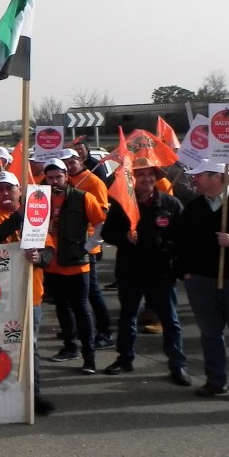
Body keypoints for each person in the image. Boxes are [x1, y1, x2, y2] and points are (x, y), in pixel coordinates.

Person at [100, 158, 190, 385]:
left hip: (161, 273)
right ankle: (125, 358)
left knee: (170, 320)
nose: (146, 179)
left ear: (157, 177)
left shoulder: (171, 204)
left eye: (151, 174)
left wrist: (179, 268)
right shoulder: (123, 204)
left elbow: (183, 240)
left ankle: (177, 365)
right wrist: (125, 238)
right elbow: (108, 234)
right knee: (128, 318)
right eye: (141, 175)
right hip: (131, 271)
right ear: (133, 178)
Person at [0, 172, 56, 415]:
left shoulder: (36, 215)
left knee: (29, 347)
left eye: (9, 189)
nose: (4, 194)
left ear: (19, 191)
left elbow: (50, 251)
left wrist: (39, 257)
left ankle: (33, 394)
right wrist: (17, 218)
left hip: (30, 293)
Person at [42, 158, 107, 375]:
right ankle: (70, 347)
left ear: (66, 176)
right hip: (51, 264)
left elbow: (101, 224)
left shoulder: (83, 197)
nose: (54, 181)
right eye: (50, 177)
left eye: (58, 176)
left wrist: (87, 248)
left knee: (81, 309)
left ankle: (90, 357)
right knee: (61, 307)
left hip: (77, 265)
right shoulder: (39, 200)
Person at [175, 159, 229, 397]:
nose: (193, 179)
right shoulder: (194, 207)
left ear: (217, 177)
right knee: (210, 333)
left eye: (199, 175)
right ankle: (215, 380)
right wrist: (185, 272)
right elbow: (181, 242)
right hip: (200, 281)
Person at [63, 148, 114, 349]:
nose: (68, 165)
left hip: (87, 245)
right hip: (69, 246)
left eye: (71, 161)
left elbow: (102, 214)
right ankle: (77, 329)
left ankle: (106, 332)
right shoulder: (65, 182)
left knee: (91, 292)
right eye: (64, 162)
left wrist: (91, 244)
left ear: (81, 161)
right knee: (74, 293)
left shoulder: (94, 181)